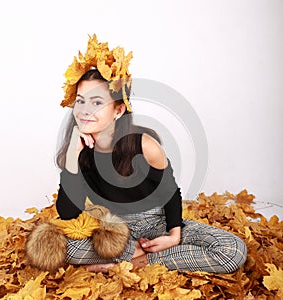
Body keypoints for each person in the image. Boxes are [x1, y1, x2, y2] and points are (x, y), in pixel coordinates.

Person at [55, 35, 247, 273]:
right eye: (81, 101)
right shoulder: (80, 148)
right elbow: (67, 213)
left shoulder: (145, 144)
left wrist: (174, 235)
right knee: (64, 246)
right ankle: (130, 255)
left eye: (96, 103)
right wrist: (72, 158)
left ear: (118, 109)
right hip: (112, 230)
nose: (84, 111)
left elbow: (169, 191)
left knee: (232, 252)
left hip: (156, 223)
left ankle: (136, 262)